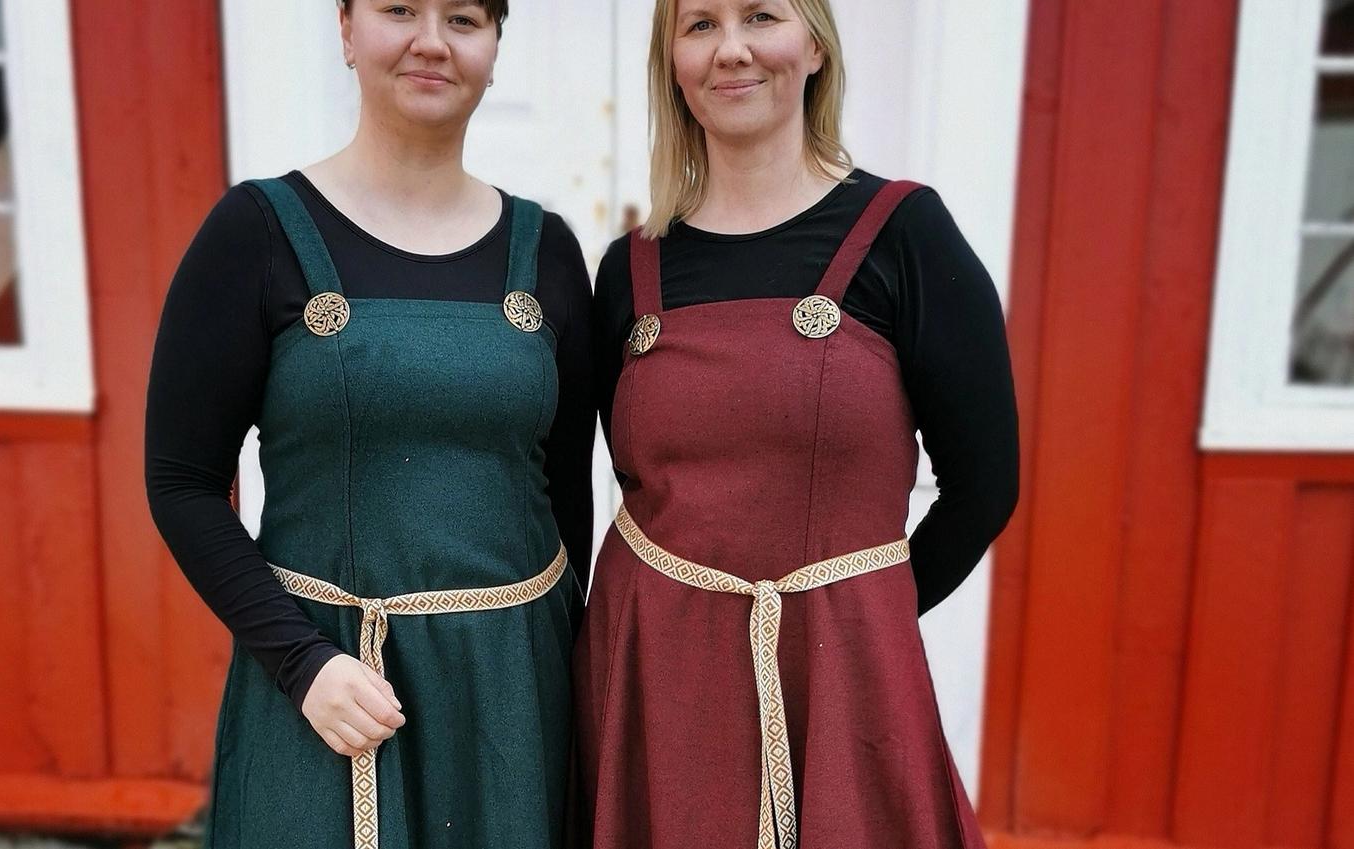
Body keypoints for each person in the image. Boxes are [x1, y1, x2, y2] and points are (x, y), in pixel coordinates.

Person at [571, 0, 1019, 846]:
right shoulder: (629, 271)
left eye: (761, 16)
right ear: (672, 61)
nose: (731, 49)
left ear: (813, 43)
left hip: (843, 686)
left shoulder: (904, 234)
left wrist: (854, 620)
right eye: (699, 25)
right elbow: (625, 485)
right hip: (657, 688)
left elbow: (986, 482)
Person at [145, 2, 592, 847]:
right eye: (398, 10)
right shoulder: (258, 234)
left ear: (496, 46)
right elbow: (182, 483)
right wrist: (301, 662)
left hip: (510, 702)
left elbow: (566, 496)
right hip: (329, 693)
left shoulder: (549, 254)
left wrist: (566, 676)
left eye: (462, 16)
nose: (431, 40)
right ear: (347, 31)